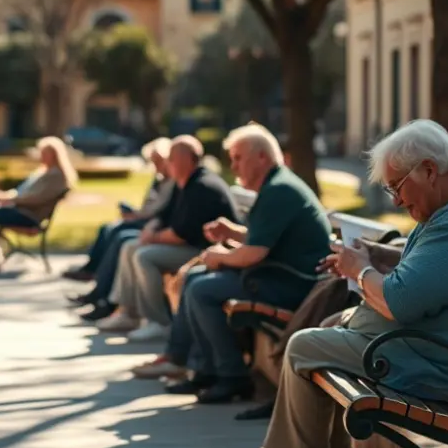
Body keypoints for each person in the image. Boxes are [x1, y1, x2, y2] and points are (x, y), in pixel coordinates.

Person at [256, 119, 448, 448]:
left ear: (429, 170)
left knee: (304, 346)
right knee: (330, 324)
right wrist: (376, 254)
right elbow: (432, 269)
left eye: (397, 187)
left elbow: (399, 303)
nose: (397, 200)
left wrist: (360, 269)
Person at [131, 124, 333, 404]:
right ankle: (204, 369)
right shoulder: (277, 184)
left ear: (261, 157)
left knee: (202, 288)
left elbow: (253, 253)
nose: (233, 166)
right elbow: (262, 239)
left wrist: (219, 256)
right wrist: (230, 233)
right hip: (279, 276)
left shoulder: (279, 190)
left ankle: (231, 376)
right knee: (195, 280)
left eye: (238, 158)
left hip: (290, 285)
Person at [96, 135, 236, 342]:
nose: (167, 164)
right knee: (129, 246)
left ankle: (159, 322)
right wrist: (152, 228)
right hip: (192, 247)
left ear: (188, 160)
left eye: (172, 158)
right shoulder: (185, 182)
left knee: (145, 256)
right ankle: (129, 312)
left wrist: (153, 237)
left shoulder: (201, 186)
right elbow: (164, 216)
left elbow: (180, 235)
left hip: (205, 252)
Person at [63, 136, 175, 285]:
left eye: (158, 161)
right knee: (107, 228)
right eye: (153, 161)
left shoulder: (172, 182)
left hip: (152, 223)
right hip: (145, 218)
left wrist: (137, 216)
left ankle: (101, 282)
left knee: (119, 233)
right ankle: (92, 270)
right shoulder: (159, 179)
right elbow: (150, 206)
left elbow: (160, 210)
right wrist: (134, 213)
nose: (156, 166)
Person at [0, 136, 77, 275]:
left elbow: (36, 198)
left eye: (45, 154)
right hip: (21, 210)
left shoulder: (56, 176)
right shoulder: (43, 172)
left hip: (29, 216)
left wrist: (9, 199)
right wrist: (6, 196)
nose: (41, 157)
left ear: (54, 155)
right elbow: (23, 193)